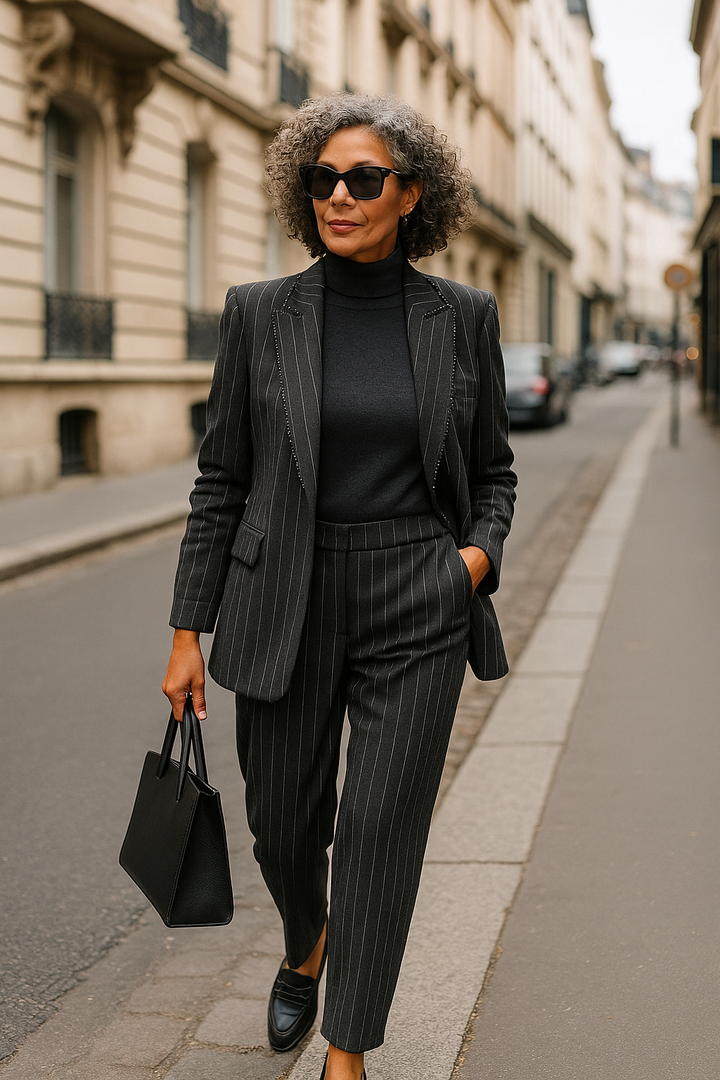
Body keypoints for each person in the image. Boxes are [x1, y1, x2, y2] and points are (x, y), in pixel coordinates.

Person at [162, 93, 516, 1080]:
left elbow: (493, 472)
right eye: (322, 178)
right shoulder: (261, 314)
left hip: (418, 591)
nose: (339, 195)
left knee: (379, 830)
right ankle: (303, 944)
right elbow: (222, 479)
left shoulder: (462, 316)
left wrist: (472, 561)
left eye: (364, 179)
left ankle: (347, 1049)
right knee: (284, 822)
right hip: (284, 594)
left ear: (414, 196)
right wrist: (188, 631)